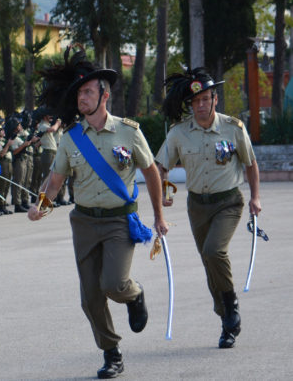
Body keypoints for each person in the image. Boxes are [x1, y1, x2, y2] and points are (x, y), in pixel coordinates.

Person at [28, 47, 167, 379]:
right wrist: (41, 209)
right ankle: (111, 352)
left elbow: (151, 174)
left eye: (88, 92)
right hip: (85, 222)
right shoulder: (71, 139)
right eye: (79, 93)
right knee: (90, 297)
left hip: (120, 221)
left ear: (104, 95)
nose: (82, 98)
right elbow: (55, 181)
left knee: (114, 284)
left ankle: (134, 295)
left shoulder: (128, 132)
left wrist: (159, 216)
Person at [155, 68, 261, 349]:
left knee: (215, 251)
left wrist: (255, 198)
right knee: (208, 261)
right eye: (196, 101)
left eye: (206, 99)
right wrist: (164, 190)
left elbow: (250, 164)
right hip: (197, 207)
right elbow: (159, 167)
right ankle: (226, 318)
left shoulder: (233, 128)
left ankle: (231, 306)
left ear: (215, 99)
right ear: (190, 104)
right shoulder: (179, 133)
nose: (201, 105)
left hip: (228, 202)